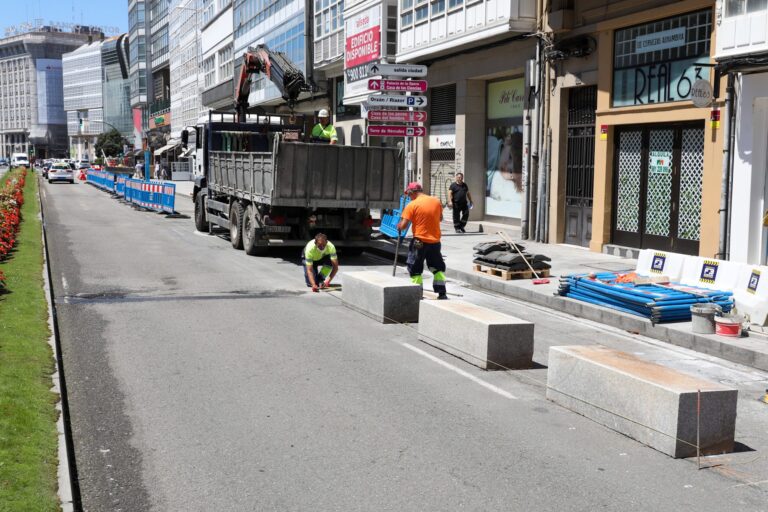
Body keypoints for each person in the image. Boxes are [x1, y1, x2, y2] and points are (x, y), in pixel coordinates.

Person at [396, 182, 448, 300]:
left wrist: (398, 226)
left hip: (419, 241)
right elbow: (440, 218)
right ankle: (442, 293)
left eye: (409, 195)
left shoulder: (412, 205)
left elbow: (403, 226)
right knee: (437, 267)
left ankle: (417, 293)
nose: (409, 197)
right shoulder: (436, 201)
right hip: (435, 241)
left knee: (415, 266)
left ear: (412, 192)